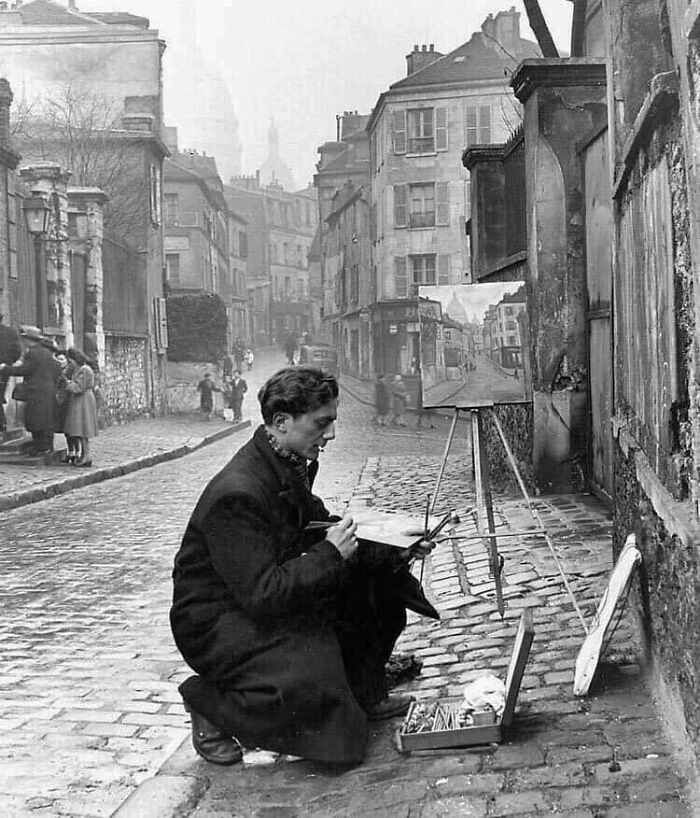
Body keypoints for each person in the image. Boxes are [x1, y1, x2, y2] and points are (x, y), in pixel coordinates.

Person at [170, 366, 438, 766]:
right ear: (281, 422)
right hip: (218, 624)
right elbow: (262, 593)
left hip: (261, 601)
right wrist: (330, 554)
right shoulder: (238, 493)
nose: (330, 434)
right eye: (321, 423)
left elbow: (317, 528)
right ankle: (209, 704)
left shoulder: (284, 460)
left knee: (378, 586)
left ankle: (364, 692)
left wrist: (396, 550)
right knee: (331, 719)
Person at [0, 325, 61, 455]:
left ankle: (40, 448)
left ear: (28, 339)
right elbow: (57, 370)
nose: (22, 342)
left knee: (35, 420)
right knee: (46, 420)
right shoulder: (46, 352)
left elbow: (24, 370)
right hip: (47, 390)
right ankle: (47, 447)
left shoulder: (33, 353)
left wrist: (5, 368)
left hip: (36, 391)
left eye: (24, 339)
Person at [63, 347, 99, 467]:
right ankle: (84, 455)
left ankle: (86, 456)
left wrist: (67, 383)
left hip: (83, 401)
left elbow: (78, 388)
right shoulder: (81, 369)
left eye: (70, 360)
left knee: (83, 429)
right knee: (81, 429)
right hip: (81, 400)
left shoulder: (84, 369)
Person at [53, 349, 80, 463]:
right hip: (61, 402)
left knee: (73, 429)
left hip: (70, 401)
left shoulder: (72, 370)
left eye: (62, 359)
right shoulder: (57, 371)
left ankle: (77, 452)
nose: (60, 362)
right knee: (65, 428)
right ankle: (70, 452)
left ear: (67, 360)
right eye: (57, 359)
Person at [0, 314, 21, 432]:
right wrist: (7, 363)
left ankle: (2, 425)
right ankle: (2, 425)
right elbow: (17, 351)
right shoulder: (11, 332)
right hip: (3, 369)